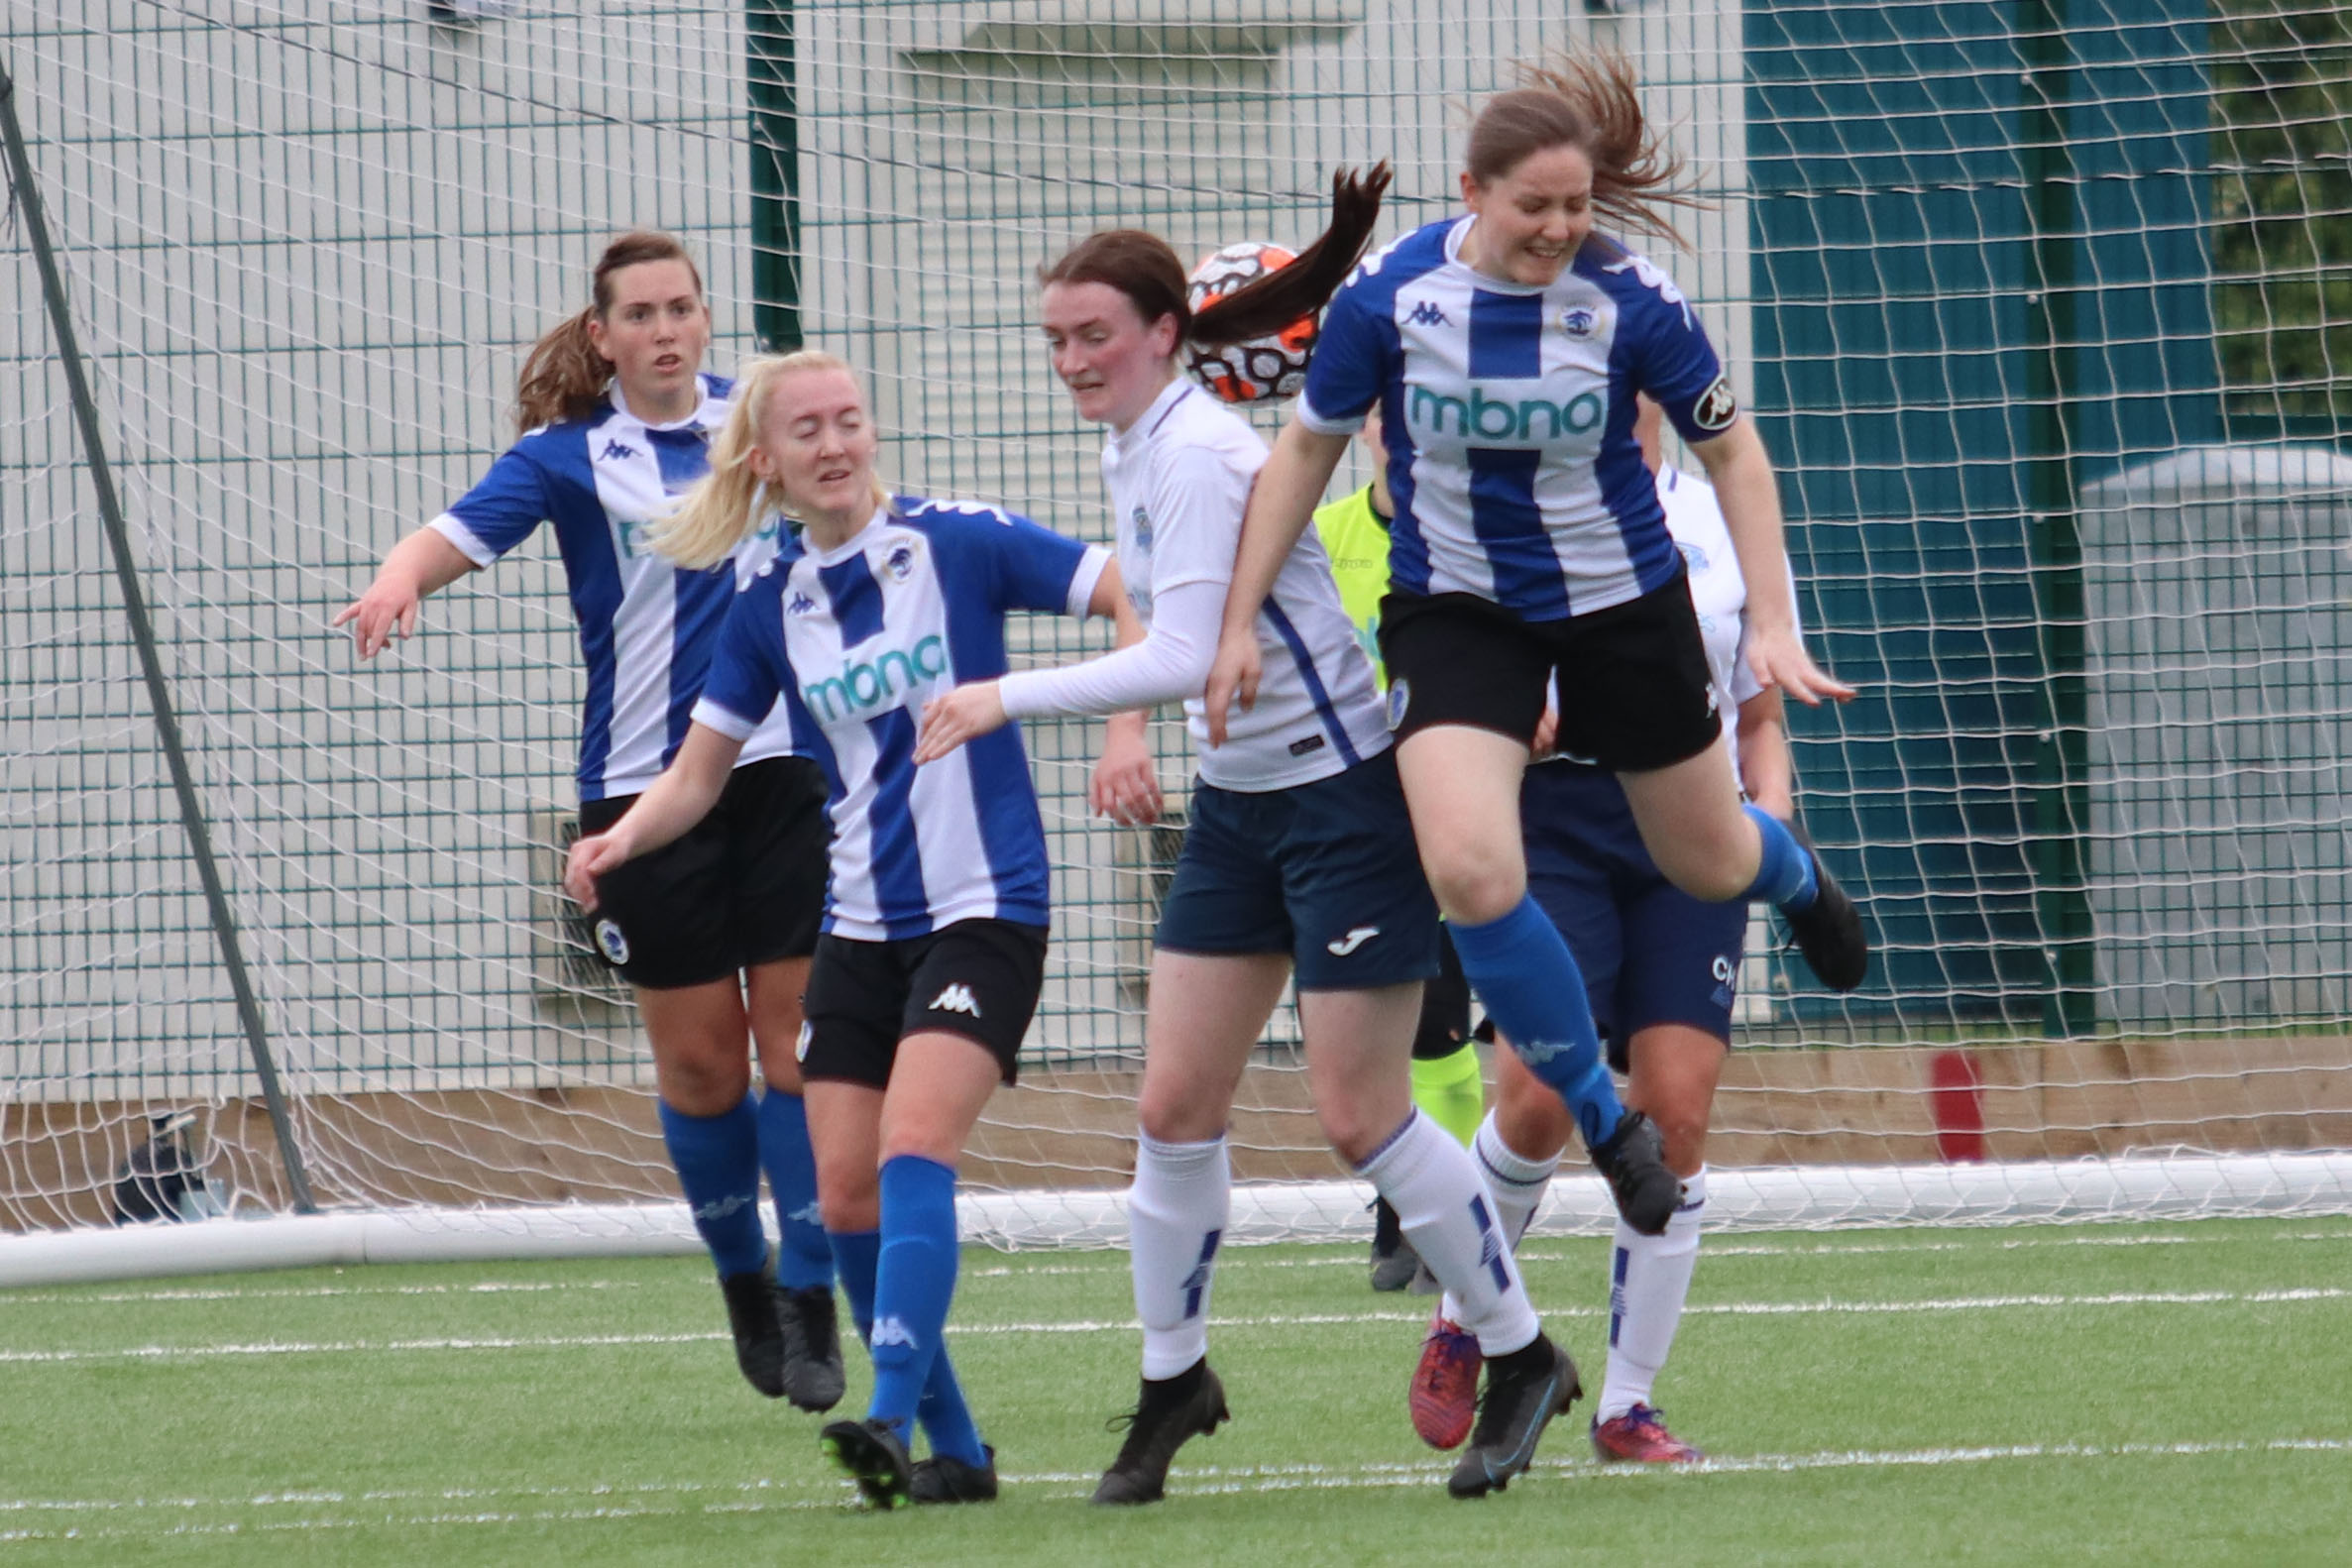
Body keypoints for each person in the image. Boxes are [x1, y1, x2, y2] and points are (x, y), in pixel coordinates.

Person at [914, 180, 1583, 1503]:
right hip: (1237, 805)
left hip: (1342, 800)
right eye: (1055, 340)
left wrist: (1001, 694)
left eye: (1093, 335)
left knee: (1358, 1114)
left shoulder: (1204, 454)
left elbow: (1176, 653)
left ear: (1168, 333)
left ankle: (1520, 1351)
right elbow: (1172, 640)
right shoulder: (1140, 444)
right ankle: (1176, 1376)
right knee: (1170, 1107)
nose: (1071, 361)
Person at [1202, 54, 1867, 1245]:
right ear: (1472, 192)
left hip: (1623, 605)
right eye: (1535, 207)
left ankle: (1796, 875)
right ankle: (1608, 1128)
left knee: (1710, 862)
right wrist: (1238, 617)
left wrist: (1771, 620)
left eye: (1576, 206)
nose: (1561, 228)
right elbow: (1304, 455)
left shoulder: (1635, 299)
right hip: (1458, 613)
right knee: (1470, 874)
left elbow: (1736, 457)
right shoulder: (1391, 299)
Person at [566, 350, 1137, 1510]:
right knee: (842, 1188)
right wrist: (619, 841)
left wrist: (1126, 730)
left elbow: (1133, 591)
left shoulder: (958, 541)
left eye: (850, 422)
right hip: (861, 925)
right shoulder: (769, 600)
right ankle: (960, 1452)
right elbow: (698, 769)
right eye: (809, 430)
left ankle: (885, 1414)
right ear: (766, 461)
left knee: (913, 1145)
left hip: (986, 908)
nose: (836, 445)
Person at [335, 231, 842, 1411]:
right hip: (642, 795)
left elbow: (856, 504)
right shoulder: (567, 459)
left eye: (683, 307)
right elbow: (452, 532)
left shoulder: (763, 420)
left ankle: (813, 1298)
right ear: (604, 334)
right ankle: (742, 1279)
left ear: (707, 320)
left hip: (783, 774)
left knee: (801, 1049)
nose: (666, 329)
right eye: (641, 314)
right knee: (703, 1066)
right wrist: (398, 578)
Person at [1409, 393, 1829, 1461]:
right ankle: (1469, 1322)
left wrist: (1767, 824)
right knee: (1539, 1097)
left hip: (1694, 828)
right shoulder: (1518, 524)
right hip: (1556, 817)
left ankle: (1625, 1405)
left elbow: (1758, 714)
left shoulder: (1718, 528)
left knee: (1676, 1114)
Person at [1311, 406, 1486, 1293]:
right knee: (1388, 1025)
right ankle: (1405, 1218)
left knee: (1446, 1023)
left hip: (1461, 800)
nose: (1398, 431)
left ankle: (1445, 1225)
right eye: (1383, 414)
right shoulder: (1321, 534)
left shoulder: (1472, 534)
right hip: (1356, 812)